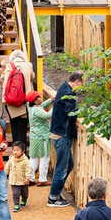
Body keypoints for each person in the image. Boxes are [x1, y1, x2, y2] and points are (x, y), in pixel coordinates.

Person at [47, 71, 85, 208]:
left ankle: (55, 193)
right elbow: (71, 114)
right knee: (62, 168)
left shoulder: (63, 87)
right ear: (77, 81)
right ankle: (53, 197)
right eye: (82, 83)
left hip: (58, 132)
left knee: (69, 165)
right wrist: (84, 111)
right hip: (62, 134)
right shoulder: (69, 94)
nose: (82, 87)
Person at [0, 49, 34, 146]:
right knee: (22, 127)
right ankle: (22, 152)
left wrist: (4, 99)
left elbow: (6, 82)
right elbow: (33, 77)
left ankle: (16, 151)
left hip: (11, 100)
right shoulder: (28, 65)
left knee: (14, 126)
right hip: (25, 100)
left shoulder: (10, 65)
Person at [26, 90, 54, 186]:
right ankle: (42, 179)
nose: (40, 98)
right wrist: (55, 106)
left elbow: (42, 106)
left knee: (33, 158)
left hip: (34, 137)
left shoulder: (31, 108)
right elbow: (48, 115)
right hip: (43, 137)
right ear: (35, 101)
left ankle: (30, 178)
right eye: (38, 97)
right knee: (44, 158)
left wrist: (50, 100)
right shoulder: (37, 110)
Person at [4, 141, 31, 212]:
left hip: (23, 181)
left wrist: (27, 178)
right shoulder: (11, 159)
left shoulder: (25, 161)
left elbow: (28, 169)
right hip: (14, 180)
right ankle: (16, 204)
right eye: (14, 150)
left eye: (17, 150)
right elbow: (7, 167)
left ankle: (24, 199)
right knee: (15, 193)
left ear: (23, 151)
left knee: (24, 193)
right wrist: (4, 174)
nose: (15, 152)